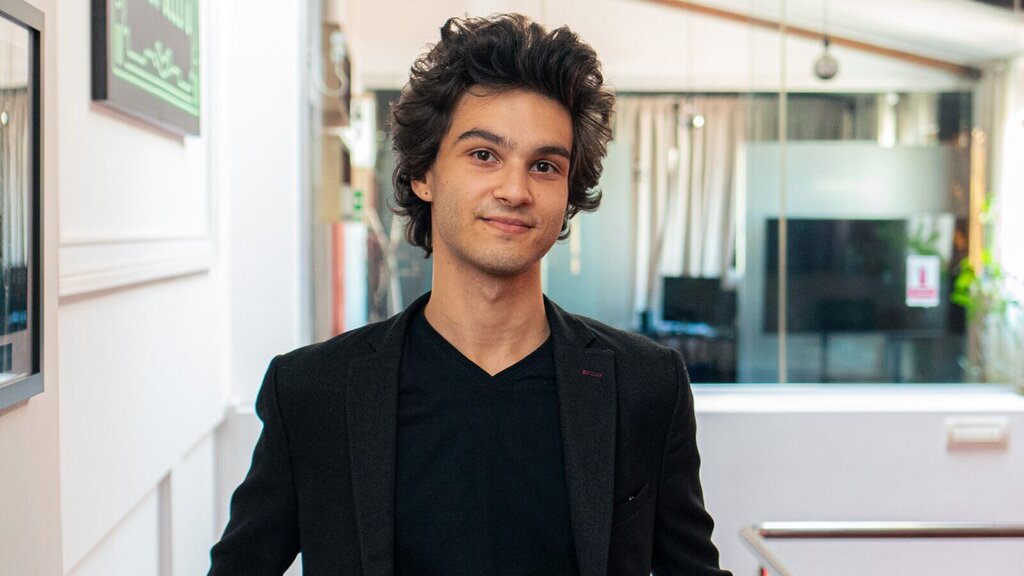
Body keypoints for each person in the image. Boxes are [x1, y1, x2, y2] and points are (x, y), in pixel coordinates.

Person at [209, 13, 730, 576]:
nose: (515, 189)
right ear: (423, 175)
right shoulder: (312, 391)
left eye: (545, 166)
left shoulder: (645, 385)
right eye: (484, 155)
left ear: (568, 195)